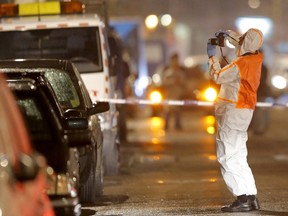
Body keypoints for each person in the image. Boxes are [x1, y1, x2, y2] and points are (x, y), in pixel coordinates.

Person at [207, 28, 264, 212]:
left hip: (231, 112)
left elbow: (217, 76)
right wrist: (227, 34)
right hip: (244, 111)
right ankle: (250, 196)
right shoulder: (255, 58)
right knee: (239, 154)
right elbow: (242, 42)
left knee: (227, 155)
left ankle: (242, 198)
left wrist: (212, 58)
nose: (238, 41)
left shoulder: (241, 64)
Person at [162, 53, 186, 130]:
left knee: (177, 111)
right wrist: (172, 81)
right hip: (170, 95)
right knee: (168, 111)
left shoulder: (180, 73)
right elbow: (164, 83)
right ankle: (166, 126)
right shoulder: (168, 73)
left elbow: (184, 83)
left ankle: (177, 125)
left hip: (178, 95)